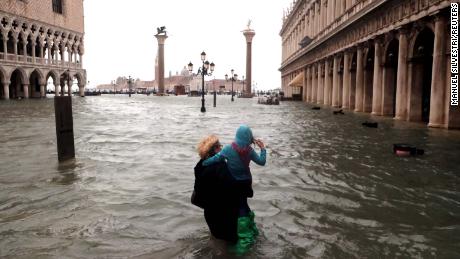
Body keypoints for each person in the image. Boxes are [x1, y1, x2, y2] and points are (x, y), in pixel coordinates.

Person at [202, 125, 266, 253]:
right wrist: (263, 149)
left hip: (234, 183)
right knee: (244, 204)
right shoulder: (249, 151)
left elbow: (216, 159)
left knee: (240, 207)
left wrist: (204, 163)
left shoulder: (228, 148)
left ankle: (243, 243)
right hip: (247, 182)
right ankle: (253, 230)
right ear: (248, 137)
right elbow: (261, 162)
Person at [193, 135, 240, 243]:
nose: (222, 149)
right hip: (224, 214)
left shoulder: (200, 166)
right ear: (213, 150)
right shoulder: (220, 166)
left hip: (209, 213)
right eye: (219, 146)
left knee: (217, 240)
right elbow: (233, 188)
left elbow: (199, 189)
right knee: (230, 244)